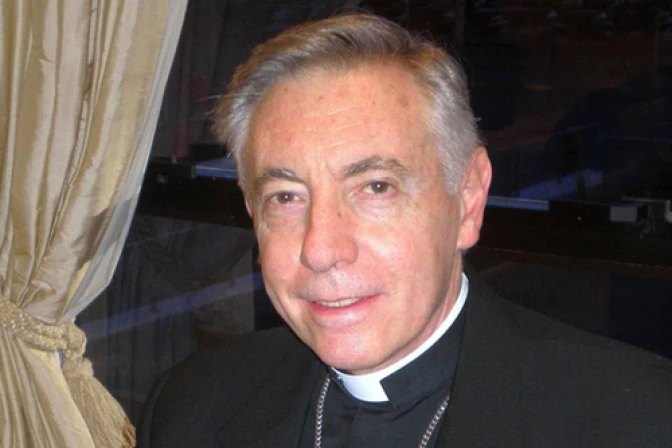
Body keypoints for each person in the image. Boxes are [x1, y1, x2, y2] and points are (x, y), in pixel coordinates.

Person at [136, 13, 672, 448]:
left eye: (376, 188)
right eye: (286, 197)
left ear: (468, 200)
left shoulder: (638, 422)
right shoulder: (192, 407)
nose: (321, 250)